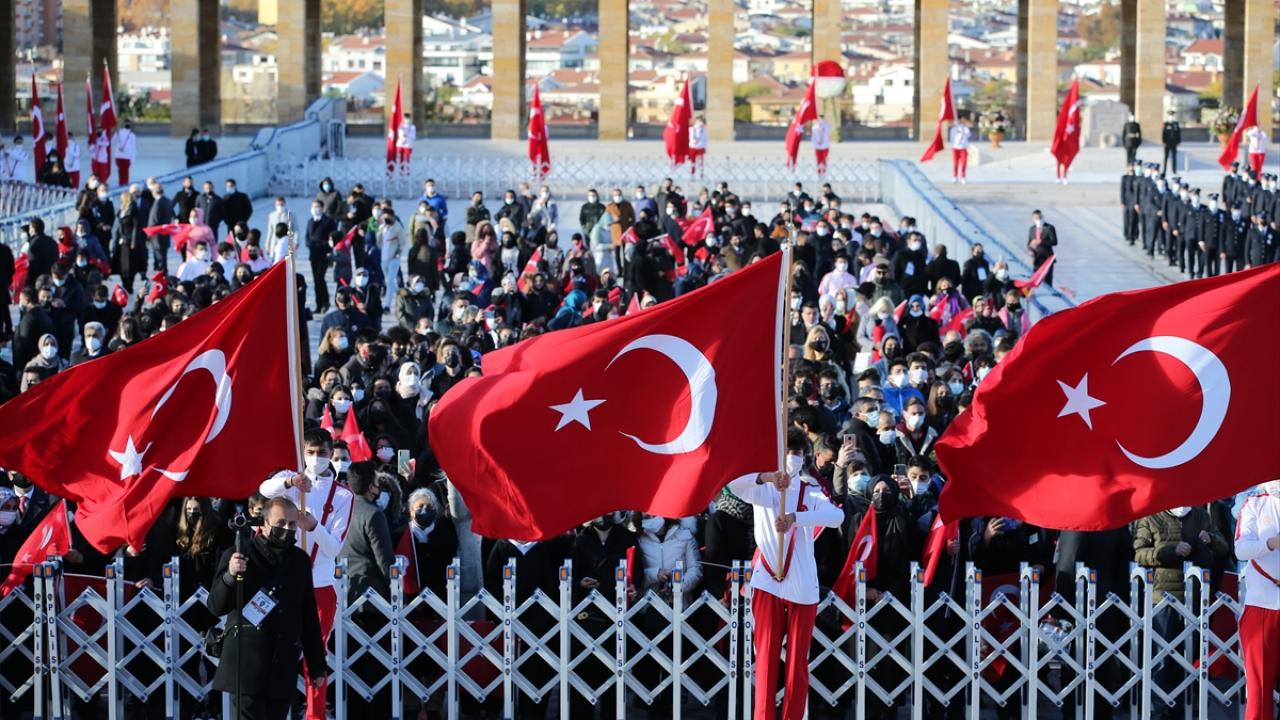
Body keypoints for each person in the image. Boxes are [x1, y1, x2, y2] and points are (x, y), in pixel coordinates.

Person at [728, 465, 842, 720]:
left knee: (797, 663)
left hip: (802, 585)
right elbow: (734, 484)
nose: (792, 459)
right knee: (766, 658)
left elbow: (836, 517)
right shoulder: (764, 491)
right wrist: (766, 477)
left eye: (797, 452)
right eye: (788, 452)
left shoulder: (810, 490)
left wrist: (796, 518)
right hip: (767, 581)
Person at [258, 429, 354, 720]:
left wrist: (314, 526)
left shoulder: (343, 495)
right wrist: (289, 481)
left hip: (320, 584)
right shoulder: (291, 480)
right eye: (310, 452)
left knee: (315, 656)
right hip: (285, 580)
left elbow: (333, 547)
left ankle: (315, 715)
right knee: (276, 649)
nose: (316, 458)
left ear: (331, 453)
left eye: (322, 453)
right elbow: (263, 489)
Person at [208, 496, 327, 720]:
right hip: (247, 665)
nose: (287, 528)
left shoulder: (299, 560)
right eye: (280, 523)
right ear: (263, 524)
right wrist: (230, 576)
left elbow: (308, 614)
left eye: (292, 524)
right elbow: (216, 606)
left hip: (282, 666)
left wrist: (317, 665)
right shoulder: (239, 554)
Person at [1235, 480, 1280, 720]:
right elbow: (1241, 549)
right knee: (1259, 686)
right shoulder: (1254, 503)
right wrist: (1271, 543)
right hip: (1262, 604)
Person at [1027, 209, 1057, 286]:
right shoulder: (1032, 229)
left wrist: (1041, 242)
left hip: (1047, 257)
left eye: (1039, 218)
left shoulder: (1049, 227)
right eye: (1035, 218)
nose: (1038, 220)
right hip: (1037, 258)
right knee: (1036, 278)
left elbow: (1054, 242)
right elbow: (1029, 243)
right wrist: (1030, 250)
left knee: (1047, 279)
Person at [950, 116, 971, 183]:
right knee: (955, 164)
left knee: (963, 163)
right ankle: (955, 176)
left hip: (963, 148)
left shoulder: (965, 129)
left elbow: (968, 135)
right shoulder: (953, 129)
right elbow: (952, 139)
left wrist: (962, 130)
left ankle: (963, 177)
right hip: (955, 148)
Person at [1161, 110, 1181, 175]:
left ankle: (1174, 170)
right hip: (1167, 143)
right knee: (1166, 157)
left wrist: (1178, 141)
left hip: (1174, 143)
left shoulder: (1176, 124)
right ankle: (1164, 171)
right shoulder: (1165, 124)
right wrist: (1164, 141)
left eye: (1172, 116)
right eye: (1170, 116)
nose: (1171, 117)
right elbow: (1163, 133)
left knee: (1174, 157)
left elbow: (1178, 133)